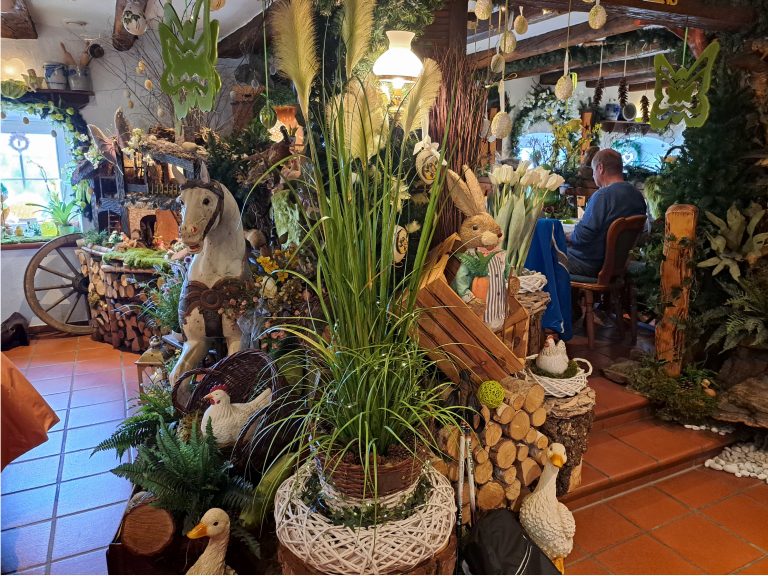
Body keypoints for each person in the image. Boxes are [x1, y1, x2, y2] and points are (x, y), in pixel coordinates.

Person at [565, 149, 647, 277]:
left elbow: (582, 237)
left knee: (544, 252)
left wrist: (565, 236)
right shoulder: (637, 196)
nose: (593, 176)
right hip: (616, 266)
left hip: (589, 265)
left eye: (593, 171)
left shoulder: (603, 196)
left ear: (600, 168)